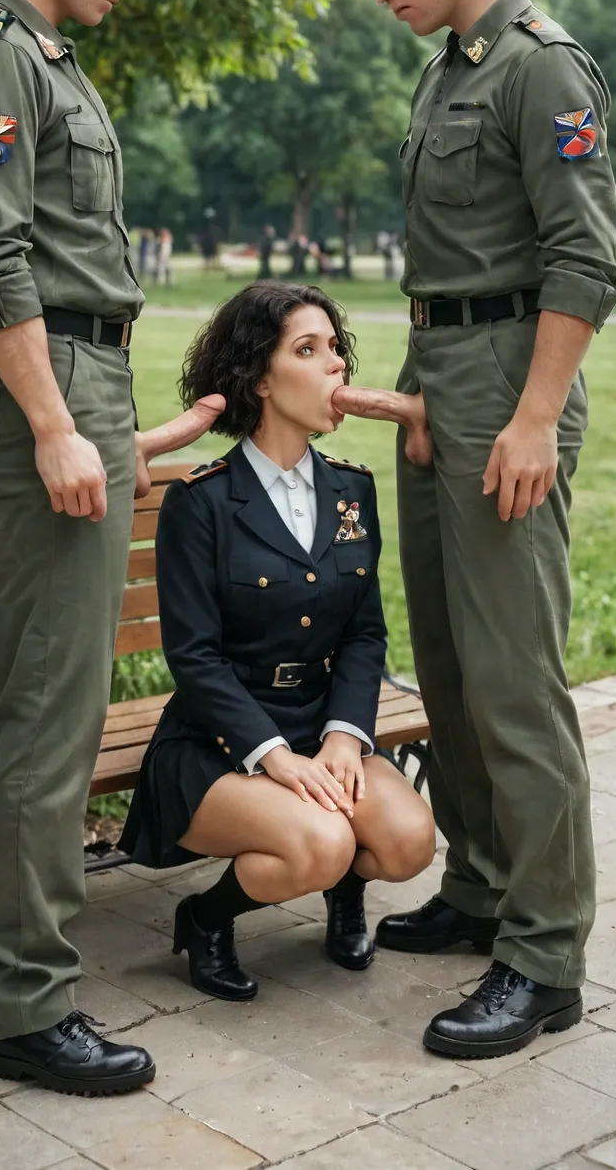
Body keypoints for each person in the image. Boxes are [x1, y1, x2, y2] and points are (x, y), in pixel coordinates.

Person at [0, 0, 225, 1097]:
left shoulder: (39, 59)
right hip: (51, 383)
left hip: (79, 384)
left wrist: (99, 421)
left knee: (26, 693)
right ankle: (28, 1003)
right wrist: (57, 422)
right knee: (58, 712)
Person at [336, 0, 616, 1058]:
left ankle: (544, 954)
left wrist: (530, 415)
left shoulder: (540, 64)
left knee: (514, 681)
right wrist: (413, 397)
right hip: (433, 379)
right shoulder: (442, 73)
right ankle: (481, 887)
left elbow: (583, 261)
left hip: (509, 382)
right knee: (449, 669)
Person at [118, 281, 435, 1001]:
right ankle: (204, 918)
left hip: (321, 723)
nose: (336, 369)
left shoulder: (352, 489)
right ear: (258, 378)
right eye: (308, 350)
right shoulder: (200, 501)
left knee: (408, 841)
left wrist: (344, 739)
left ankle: (342, 893)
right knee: (320, 843)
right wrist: (274, 759)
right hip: (220, 740)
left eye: (336, 350)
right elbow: (193, 658)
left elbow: (362, 633)